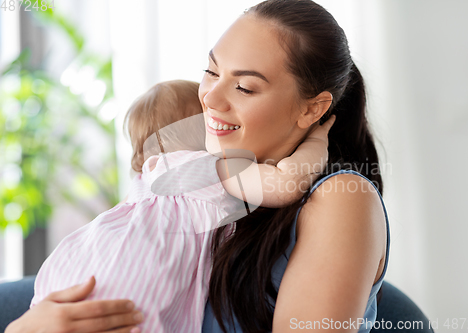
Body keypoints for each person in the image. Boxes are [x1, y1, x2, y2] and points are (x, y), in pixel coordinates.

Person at [6, 0, 390, 332]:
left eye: (245, 87)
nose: (210, 97)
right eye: (210, 72)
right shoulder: (200, 188)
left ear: (313, 108)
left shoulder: (339, 201)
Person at [27, 79, 334, 333]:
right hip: (130, 297)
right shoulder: (205, 167)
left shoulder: (147, 178)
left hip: (69, 278)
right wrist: (316, 141)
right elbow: (285, 183)